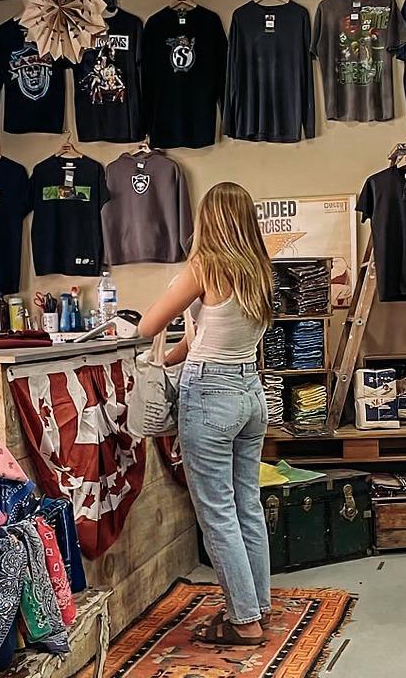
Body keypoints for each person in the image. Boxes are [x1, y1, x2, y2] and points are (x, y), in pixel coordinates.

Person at [139, 181, 273, 644]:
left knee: (217, 512)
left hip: (212, 396)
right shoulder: (259, 269)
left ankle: (245, 622)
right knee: (246, 506)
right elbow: (203, 340)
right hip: (251, 393)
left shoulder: (204, 266)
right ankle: (258, 605)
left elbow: (147, 325)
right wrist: (175, 356)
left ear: (208, 219)